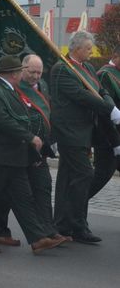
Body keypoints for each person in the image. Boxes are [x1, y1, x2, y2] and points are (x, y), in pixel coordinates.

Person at [0, 55, 63, 255]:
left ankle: (38, 239)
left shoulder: (9, 90)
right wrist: (29, 136)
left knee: (24, 199)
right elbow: (2, 120)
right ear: (13, 74)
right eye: (21, 70)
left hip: (14, 156)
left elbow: (22, 116)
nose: (23, 73)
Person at [51, 31, 120, 243]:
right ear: (76, 48)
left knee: (67, 179)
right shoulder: (62, 69)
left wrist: (109, 104)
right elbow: (82, 96)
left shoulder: (88, 68)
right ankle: (77, 225)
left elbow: (100, 90)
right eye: (88, 48)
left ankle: (63, 225)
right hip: (69, 132)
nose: (91, 52)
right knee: (84, 175)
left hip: (84, 132)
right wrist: (110, 109)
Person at [88, 45, 120, 199]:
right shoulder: (105, 75)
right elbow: (104, 111)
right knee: (100, 176)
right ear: (115, 55)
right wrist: (114, 141)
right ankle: (72, 207)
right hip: (109, 136)